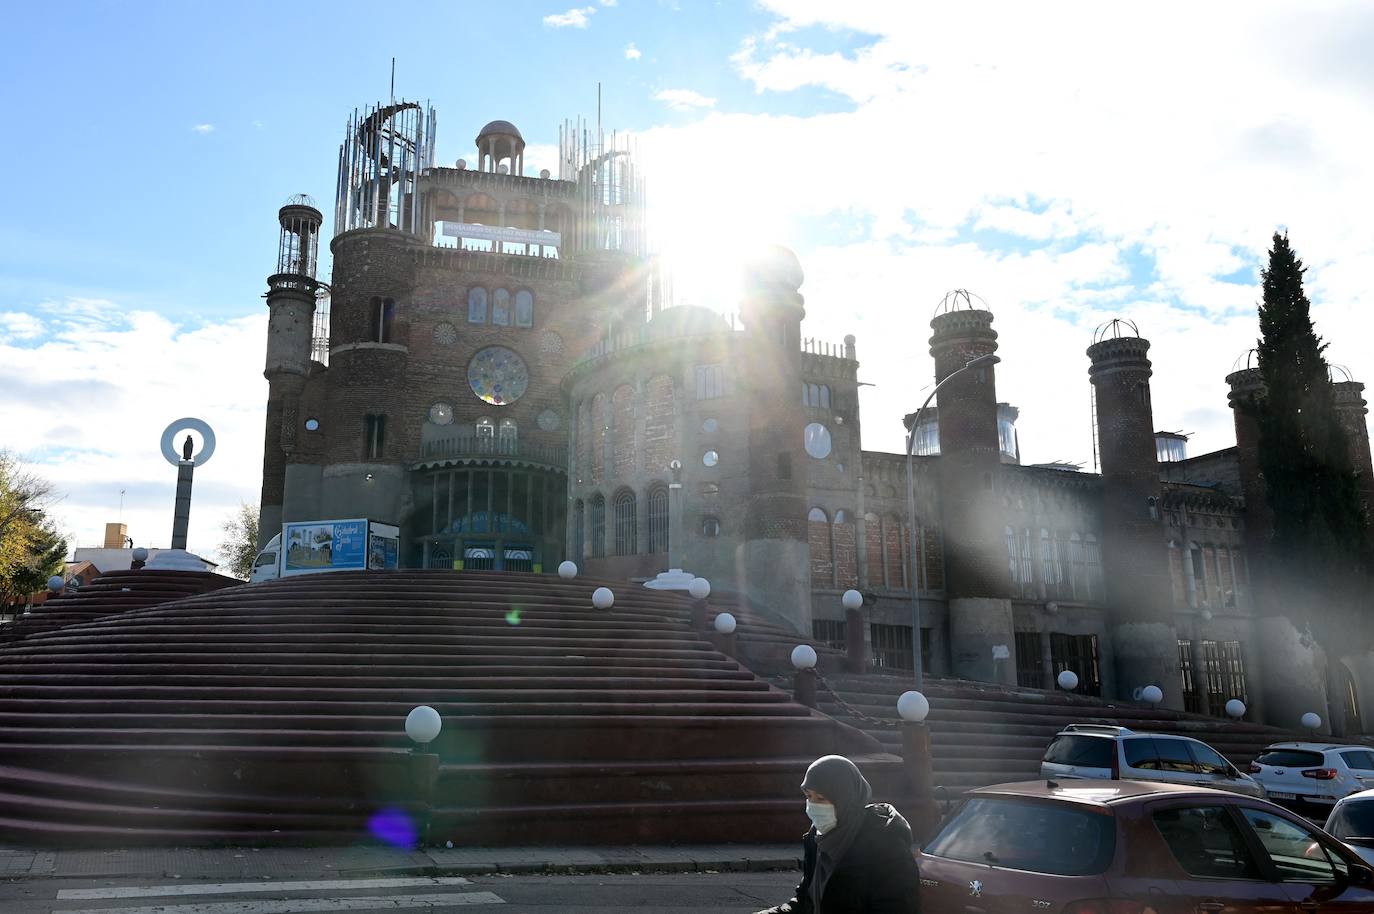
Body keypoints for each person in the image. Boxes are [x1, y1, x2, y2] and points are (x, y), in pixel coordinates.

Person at [755, 755, 922, 913]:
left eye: (821, 798)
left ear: (845, 799)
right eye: (808, 796)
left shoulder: (887, 849)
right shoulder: (818, 839)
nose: (812, 805)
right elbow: (806, 903)